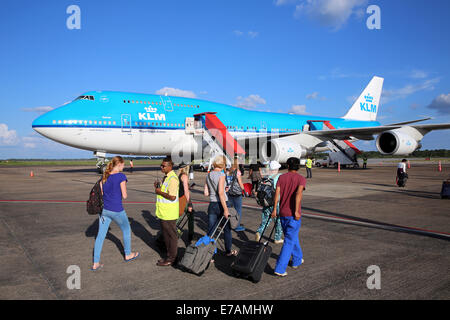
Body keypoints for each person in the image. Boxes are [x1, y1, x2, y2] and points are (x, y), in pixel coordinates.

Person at [92, 156, 139, 271]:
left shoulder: (105, 177)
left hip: (105, 211)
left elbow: (102, 193)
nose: (124, 167)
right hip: (117, 210)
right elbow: (125, 195)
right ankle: (128, 254)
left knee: (100, 236)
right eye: (123, 165)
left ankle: (95, 263)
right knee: (126, 230)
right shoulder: (121, 176)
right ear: (119, 164)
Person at [271, 157, 306, 277]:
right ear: (298, 166)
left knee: (292, 237)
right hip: (293, 214)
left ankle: (297, 259)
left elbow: (277, 194)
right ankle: (280, 268)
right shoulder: (301, 179)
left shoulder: (281, 177)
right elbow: (298, 195)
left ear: (288, 165)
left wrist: (275, 209)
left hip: (283, 213)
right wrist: (296, 211)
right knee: (289, 241)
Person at [204, 155, 237, 257]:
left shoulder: (209, 175)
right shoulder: (221, 175)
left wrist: (216, 191)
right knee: (227, 229)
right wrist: (226, 209)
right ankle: (228, 251)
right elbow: (221, 193)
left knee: (211, 230)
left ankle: (209, 254)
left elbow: (206, 192)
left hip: (212, 203)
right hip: (221, 204)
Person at [154, 157, 180, 266]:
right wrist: (158, 187)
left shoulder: (173, 179)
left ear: (170, 166)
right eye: (161, 165)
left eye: (163, 166)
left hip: (169, 213)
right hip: (164, 212)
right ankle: (169, 256)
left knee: (171, 237)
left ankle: (171, 258)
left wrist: (159, 192)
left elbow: (172, 197)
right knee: (167, 236)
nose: (161, 167)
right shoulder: (166, 177)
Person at [255, 161, 284, 244]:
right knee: (278, 221)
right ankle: (277, 238)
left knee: (265, 220)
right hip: (276, 203)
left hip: (266, 202)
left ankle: (259, 232)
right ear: (277, 168)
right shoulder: (279, 177)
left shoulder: (266, 177)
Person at [227, 158, 246, 232]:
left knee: (230, 209)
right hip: (237, 193)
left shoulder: (229, 171)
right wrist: (244, 190)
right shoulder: (237, 171)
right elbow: (240, 182)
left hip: (229, 192)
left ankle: (229, 224)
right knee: (238, 210)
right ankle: (237, 226)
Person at [178, 164, 194, 243]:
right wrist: (190, 203)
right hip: (183, 199)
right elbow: (186, 191)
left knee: (177, 218)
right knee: (190, 217)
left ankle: (168, 234)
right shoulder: (184, 176)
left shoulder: (178, 175)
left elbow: (182, 187)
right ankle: (190, 236)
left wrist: (188, 187)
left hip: (178, 199)